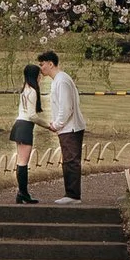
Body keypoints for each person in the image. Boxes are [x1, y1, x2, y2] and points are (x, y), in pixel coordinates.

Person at [39, 50, 86, 201]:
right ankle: (71, 193)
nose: (41, 68)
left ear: (50, 64)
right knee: (68, 159)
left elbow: (66, 107)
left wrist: (57, 124)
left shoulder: (62, 80)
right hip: (66, 127)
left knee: (71, 160)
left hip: (70, 127)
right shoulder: (58, 80)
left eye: (42, 64)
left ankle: (73, 195)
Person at [10, 63, 42, 203]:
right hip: (25, 126)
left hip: (19, 125)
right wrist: (48, 125)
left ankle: (22, 193)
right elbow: (32, 116)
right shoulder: (32, 91)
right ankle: (23, 193)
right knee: (23, 162)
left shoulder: (25, 89)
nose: (41, 77)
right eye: (39, 75)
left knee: (21, 161)